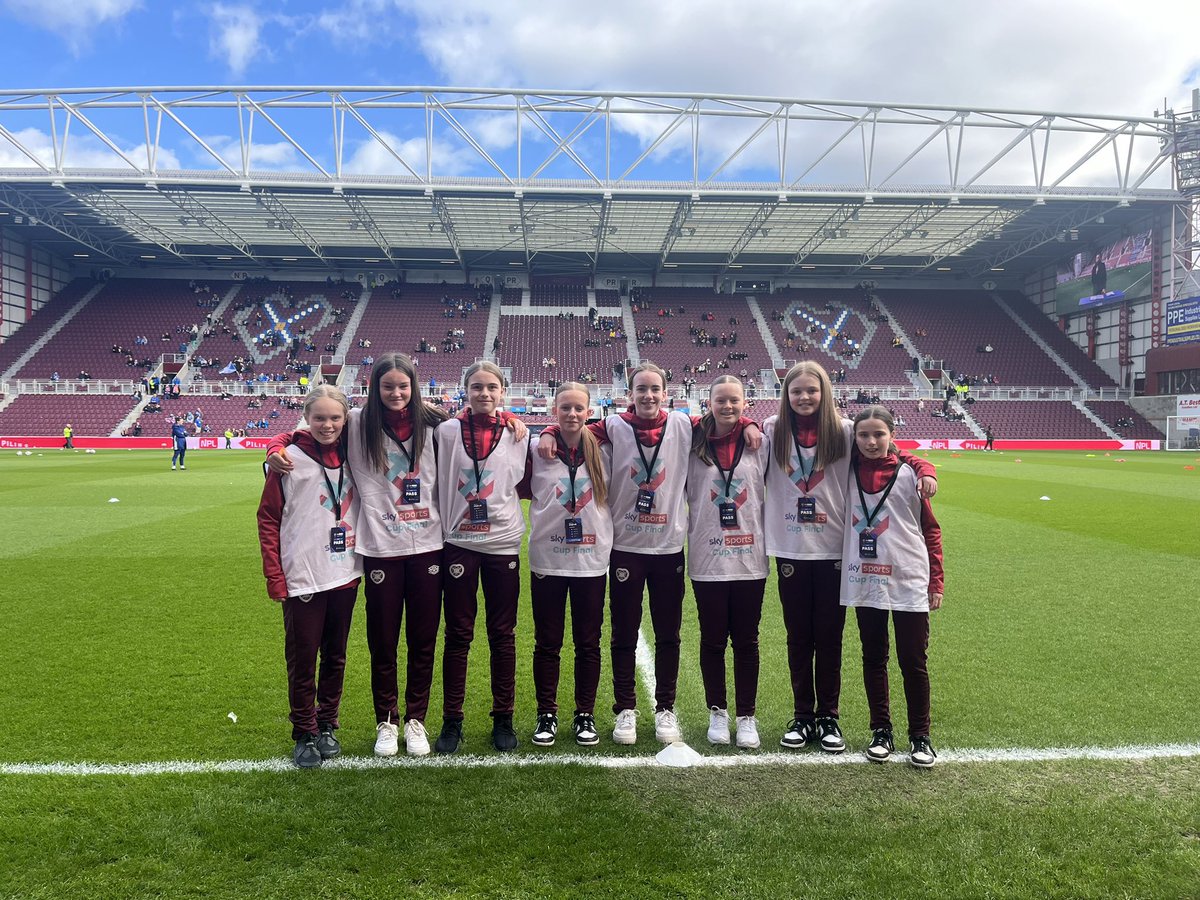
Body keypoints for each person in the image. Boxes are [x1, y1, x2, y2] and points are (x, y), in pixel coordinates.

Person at [537, 361, 763, 745]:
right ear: (629, 394)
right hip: (625, 548)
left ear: (666, 392)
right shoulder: (612, 426)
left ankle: (665, 709)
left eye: (655, 389)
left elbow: (725, 421)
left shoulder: (682, 425)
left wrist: (751, 424)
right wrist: (545, 430)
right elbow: (571, 427)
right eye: (640, 389)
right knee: (623, 632)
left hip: (668, 548)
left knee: (668, 634)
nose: (648, 395)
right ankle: (625, 708)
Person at [763, 362, 936, 754]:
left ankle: (829, 718)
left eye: (812, 390)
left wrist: (925, 466)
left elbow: (889, 451)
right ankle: (802, 715)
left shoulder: (842, 432)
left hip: (835, 550)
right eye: (797, 391)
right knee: (798, 637)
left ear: (825, 392)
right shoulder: (772, 429)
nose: (805, 397)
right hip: (789, 548)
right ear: (786, 395)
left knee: (830, 638)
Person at [256, 385, 362, 768]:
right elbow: (267, 519)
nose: (328, 424)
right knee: (303, 660)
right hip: (302, 575)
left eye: (335, 417)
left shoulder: (355, 452)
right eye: (319, 417)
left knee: (335, 656)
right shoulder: (288, 458)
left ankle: (328, 723)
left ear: (346, 418)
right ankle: (303, 731)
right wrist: (275, 575)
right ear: (306, 417)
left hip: (346, 572)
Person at [434, 361, 531, 753]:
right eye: (477, 387)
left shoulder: (517, 434)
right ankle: (452, 720)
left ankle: (503, 718)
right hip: (458, 541)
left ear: (503, 392)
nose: (485, 394)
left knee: (502, 635)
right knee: (458, 635)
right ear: (465, 391)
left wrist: (513, 419)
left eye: (492, 388)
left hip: (503, 544)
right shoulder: (445, 431)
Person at [842, 406, 944, 768]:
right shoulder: (847, 469)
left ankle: (920, 736)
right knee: (874, 657)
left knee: (913, 661)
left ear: (891, 435)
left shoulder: (908, 473)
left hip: (908, 578)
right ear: (855, 438)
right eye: (864, 435)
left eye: (878, 434)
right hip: (866, 577)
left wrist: (936, 581)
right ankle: (881, 731)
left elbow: (931, 530)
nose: (871, 442)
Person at [519, 382, 612, 747]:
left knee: (588, 642)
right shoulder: (536, 449)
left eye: (579, 408)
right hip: (548, 557)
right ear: (553, 410)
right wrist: (546, 432)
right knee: (547, 642)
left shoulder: (605, 449)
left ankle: (584, 714)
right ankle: (547, 713)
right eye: (565, 409)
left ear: (590, 411)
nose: (572, 414)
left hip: (592, 559)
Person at [686, 376, 768, 749]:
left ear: (745, 403)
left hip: (750, 558)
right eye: (721, 400)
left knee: (747, 640)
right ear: (709, 402)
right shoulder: (691, 441)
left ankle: (746, 716)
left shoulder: (759, 443)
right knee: (713, 639)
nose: (728, 407)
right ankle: (717, 712)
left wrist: (751, 427)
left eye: (735, 401)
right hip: (708, 556)